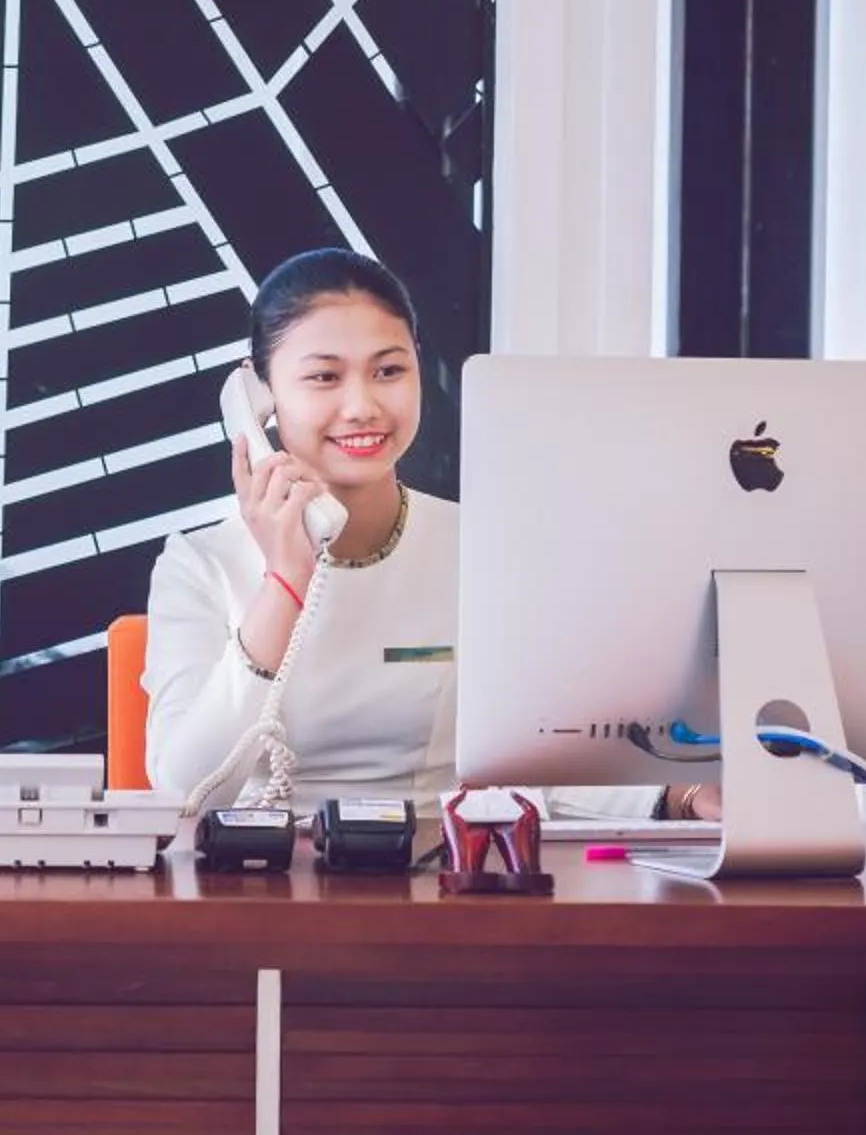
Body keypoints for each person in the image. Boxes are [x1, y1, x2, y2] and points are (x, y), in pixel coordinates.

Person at [142, 249, 716, 823]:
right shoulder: (197, 566)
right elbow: (186, 791)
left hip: (433, 877)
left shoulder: (485, 547)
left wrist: (683, 796)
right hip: (252, 881)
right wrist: (285, 583)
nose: (362, 406)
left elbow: (543, 761)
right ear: (259, 399)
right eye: (324, 377)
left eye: (388, 371)